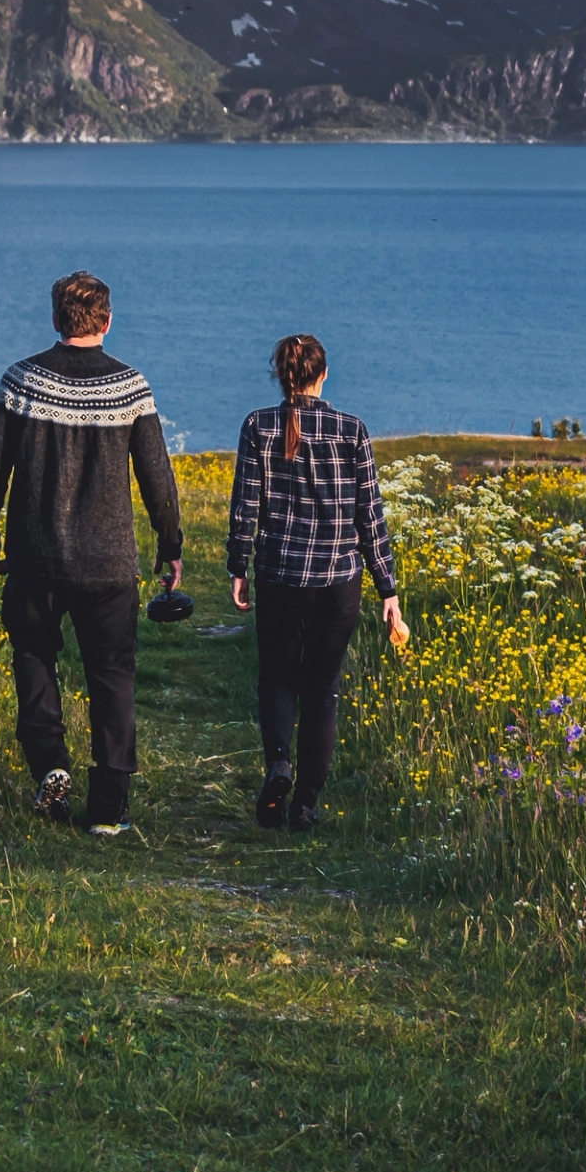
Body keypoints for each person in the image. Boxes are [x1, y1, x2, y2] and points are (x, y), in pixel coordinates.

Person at [0, 271, 183, 832]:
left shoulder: (20, 381)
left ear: (55, 318)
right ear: (107, 321)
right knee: (111, 678)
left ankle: (50, 764)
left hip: (35, 558)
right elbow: (156, 475)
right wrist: (171, 543)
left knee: (34, 658)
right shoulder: (131, 387)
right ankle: (108, 809)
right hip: (109, 563)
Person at [224, 333, 408, 832]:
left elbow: (246, 506)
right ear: (323, 374)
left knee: (277, 678)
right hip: (338, 580)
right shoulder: (352, 430)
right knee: (322, 688)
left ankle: (279, 764)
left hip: (280, 573)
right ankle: (305, 804)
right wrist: (388, 589)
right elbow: (370, 517)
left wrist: (238, 566)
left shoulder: (258, 426)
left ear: (281, 375)